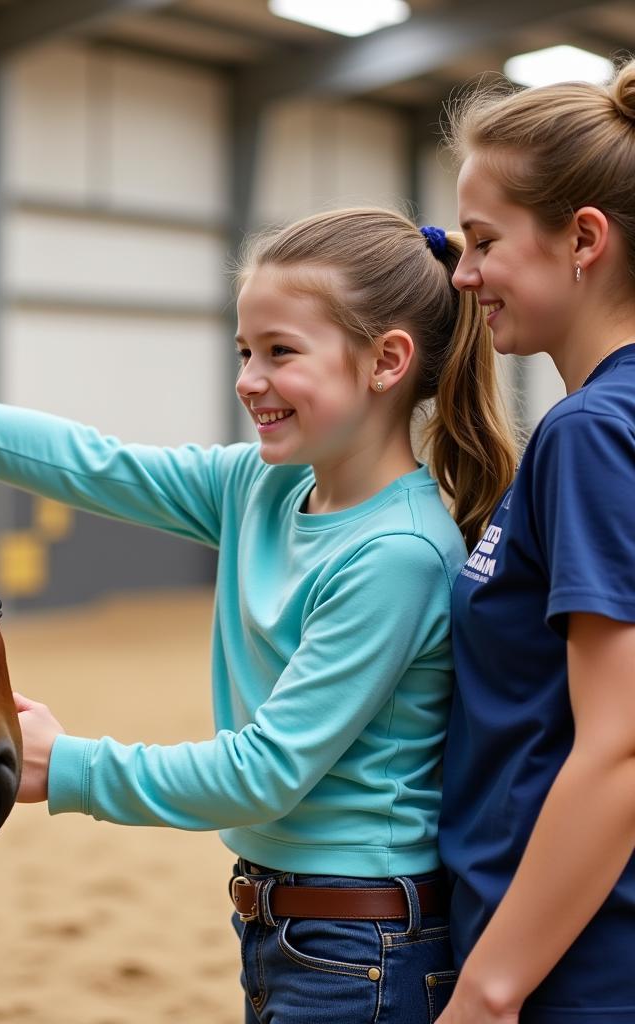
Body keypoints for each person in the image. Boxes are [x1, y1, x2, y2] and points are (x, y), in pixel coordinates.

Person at [0, 207, 516, 1022]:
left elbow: (262, 774)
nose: (249, 378)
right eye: (246, 351)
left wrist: (66, 765)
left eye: (281, 352)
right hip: (287, 928)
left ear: (387, 361)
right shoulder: (261, 484)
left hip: (364, 951)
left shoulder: (399, 554)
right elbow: (91, 463)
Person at [435, 62, 635, 1024]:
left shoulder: (592, 433)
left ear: (583, 239)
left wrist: (491, 989)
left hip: (579, 969)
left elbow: (621, 745)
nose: (463, 274)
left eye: (482, 243)